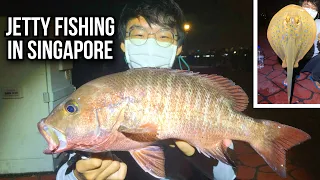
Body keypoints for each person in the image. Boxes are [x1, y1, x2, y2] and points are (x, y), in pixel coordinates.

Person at [56, 0, 235, 179]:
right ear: (123, 44)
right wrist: (79, 175)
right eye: (139, 35)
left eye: (163, 36)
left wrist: (198, 155)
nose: (150, 43)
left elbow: (229, 176)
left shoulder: (199, 97)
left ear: (178, 48)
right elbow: (63, 175)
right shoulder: (102, 93)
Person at [283, 0, 320, 90]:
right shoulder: (290, 22)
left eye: (313, 7)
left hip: (313, 61)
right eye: (307, 5)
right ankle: (292, 75)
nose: (310, 9)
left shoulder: (319, 23)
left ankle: (316, 76)